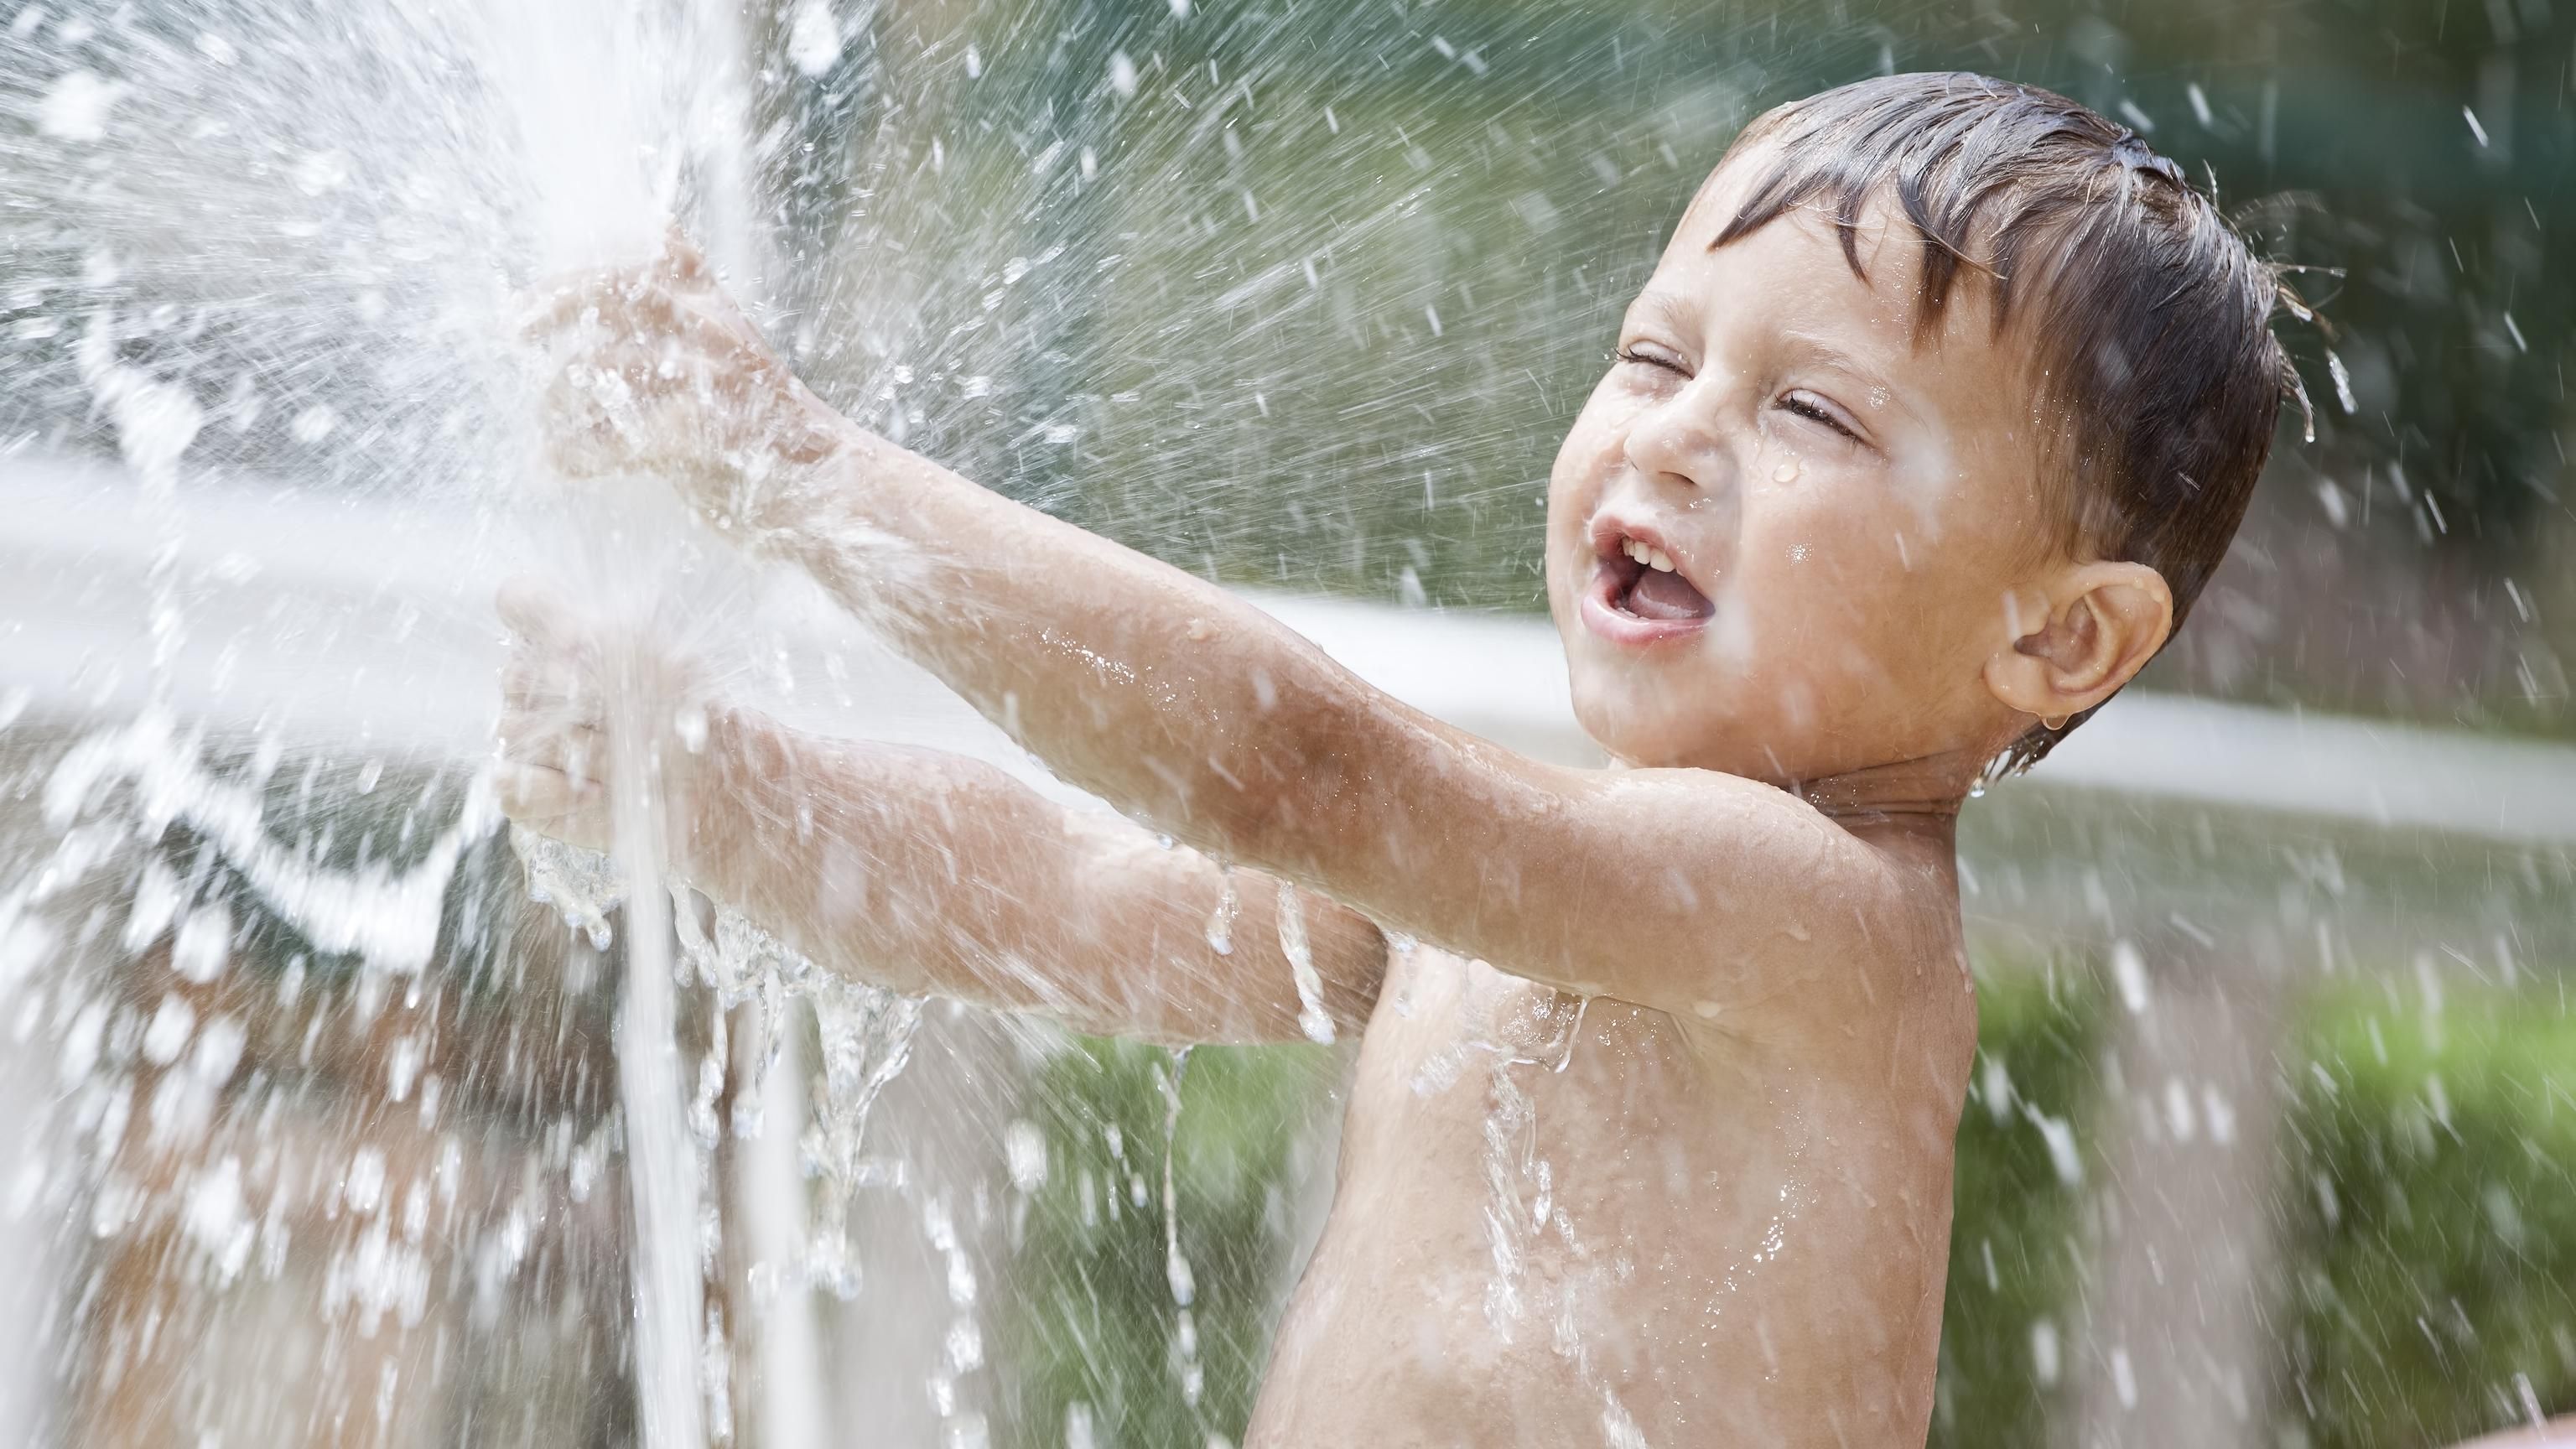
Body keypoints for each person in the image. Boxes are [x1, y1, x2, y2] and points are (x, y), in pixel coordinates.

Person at [499, 71, 2296, 1446]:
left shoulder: (1828, 930)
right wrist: (720, 784)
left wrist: (798, 469)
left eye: (1808, 410)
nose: (1667, 437)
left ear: (2056, 637)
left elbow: (1290, 770)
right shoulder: (1515, 893)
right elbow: (1072, 894)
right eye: (1651, 353)